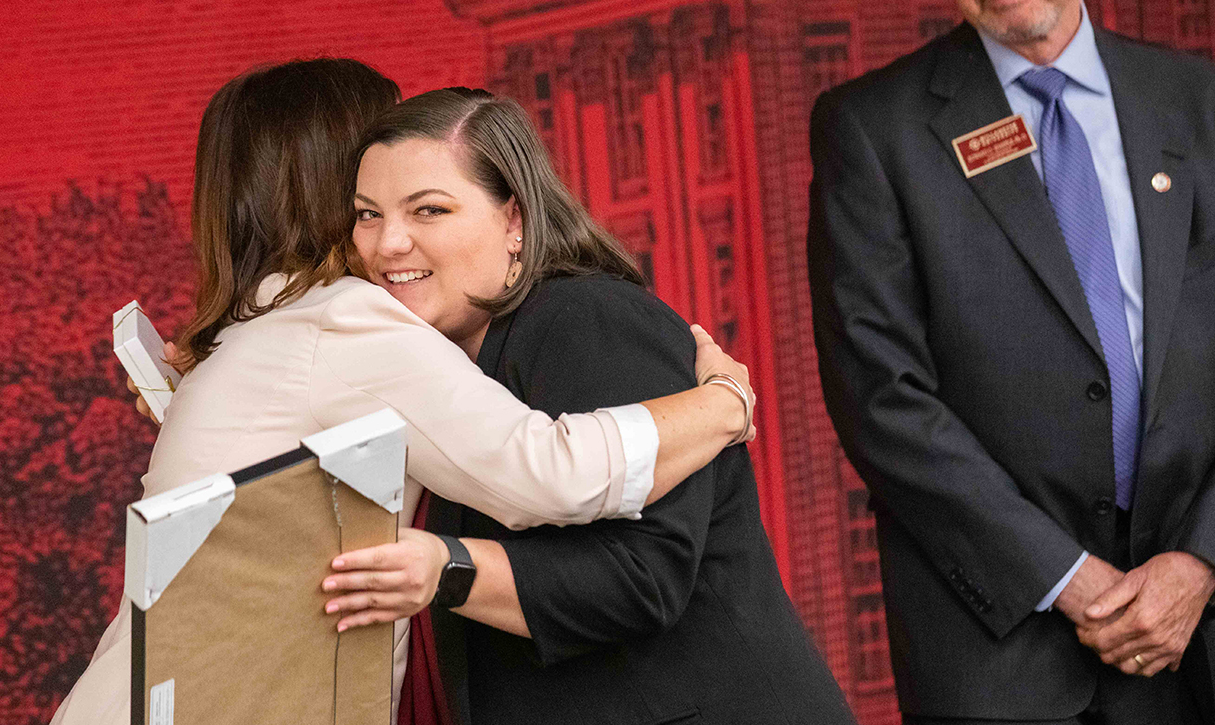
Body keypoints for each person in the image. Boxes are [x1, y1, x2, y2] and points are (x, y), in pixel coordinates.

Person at [52, 59, 758, 725]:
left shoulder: (266, 326)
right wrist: (723, 401)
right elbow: (550, 472)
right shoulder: (342, 321)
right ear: (342, 178)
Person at [325, 88, 856, 725]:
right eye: (368, 215)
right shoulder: (442, 363)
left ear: (514, 221)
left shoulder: (584, 318)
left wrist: (450, 568)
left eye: (429, 211)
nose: (388, 245)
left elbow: (643, 577)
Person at [807, 0, 1215, 722]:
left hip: (1197, 632)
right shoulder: (870, 128)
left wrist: (1199, 560)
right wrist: (1071, 579)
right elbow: (880, 396)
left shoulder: (1197, 99)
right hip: (1000, 652)